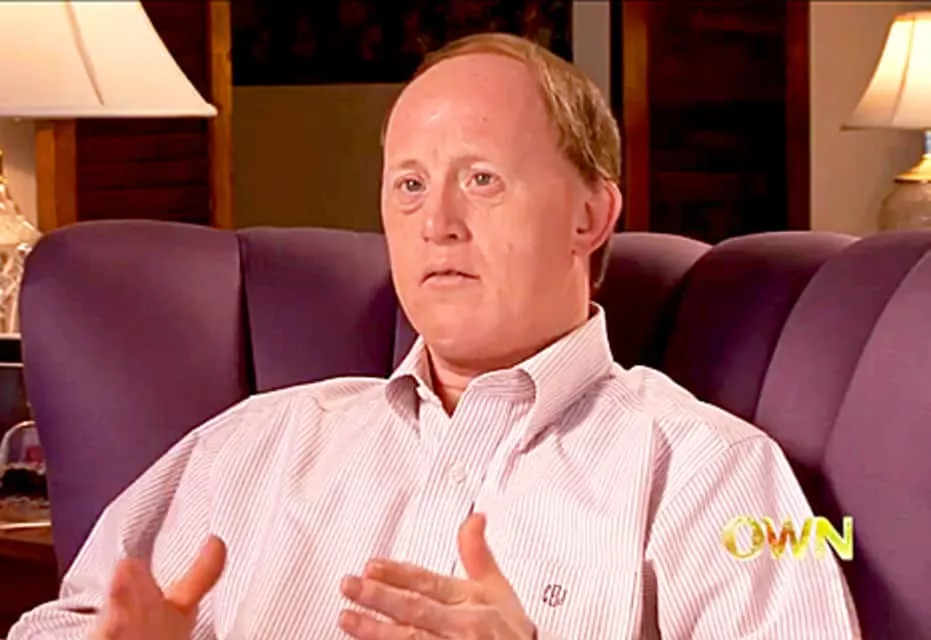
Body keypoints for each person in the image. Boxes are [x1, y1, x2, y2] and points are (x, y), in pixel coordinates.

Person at [10, 33, 859, 639]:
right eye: (409, 185)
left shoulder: (714, 473)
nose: (436, 223)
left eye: (481, 179)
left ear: (589, 215)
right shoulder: (251, 444)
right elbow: (62, 624)